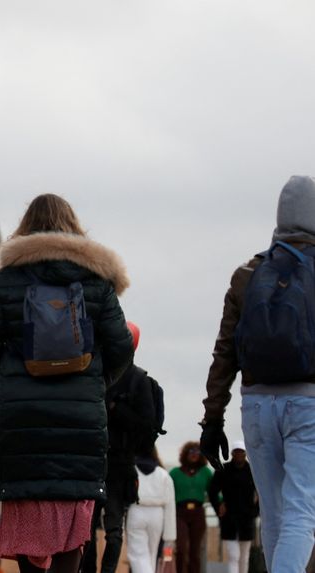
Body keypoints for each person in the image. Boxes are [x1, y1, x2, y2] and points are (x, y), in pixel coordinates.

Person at [0, 194, 134, 573]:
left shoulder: (8, 279)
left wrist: (19, 369)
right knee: (71, 537)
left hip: (22, 422)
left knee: (30, 533)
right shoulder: (96, 280)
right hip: (80, 426)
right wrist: (93, 378)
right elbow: (122, 346)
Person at [200, 175, 315, 572]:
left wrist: (212, 418)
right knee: (302, 512)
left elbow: (224, 352)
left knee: (275, 514)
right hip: (309, 404)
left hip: (257, 405)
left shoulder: (248, 273)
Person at [84, 321, 160, 573]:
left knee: (100, 530)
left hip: (108, 464)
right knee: (105, 530)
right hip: (113, 464)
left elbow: (145, 424)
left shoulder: (105, 377)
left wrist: (115, 410)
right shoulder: (131, 379)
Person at [208, 442, 258, 573]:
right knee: (233, 555)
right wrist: (218, 506)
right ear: (232, 454)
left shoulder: (252, 470)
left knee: (244, 556)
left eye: (241, 452)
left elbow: (262, 492)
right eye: (236, 452)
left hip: (247, 518)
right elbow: (212, 490)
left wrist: (256, 511)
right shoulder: (223, 470)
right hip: (229, 518)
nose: (239, 454)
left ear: (245, 454)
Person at [126, 446, 176, 573]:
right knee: (152, 556)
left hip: (136, 511)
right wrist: (170, 536)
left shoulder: (131, 470)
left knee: (138, 555)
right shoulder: (164, 474)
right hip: (157, 515)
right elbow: (170, 506)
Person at [169, 442, 212, 573]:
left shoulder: (206, 472)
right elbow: (167, 493)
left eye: (197, 452)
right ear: (186, 454)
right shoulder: (175, 473)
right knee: (181, 549)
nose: (194, 455)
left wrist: (221, 503)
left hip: (198, 512)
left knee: (195, 551)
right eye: (191, 452)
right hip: (179, 513)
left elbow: (214, 491)